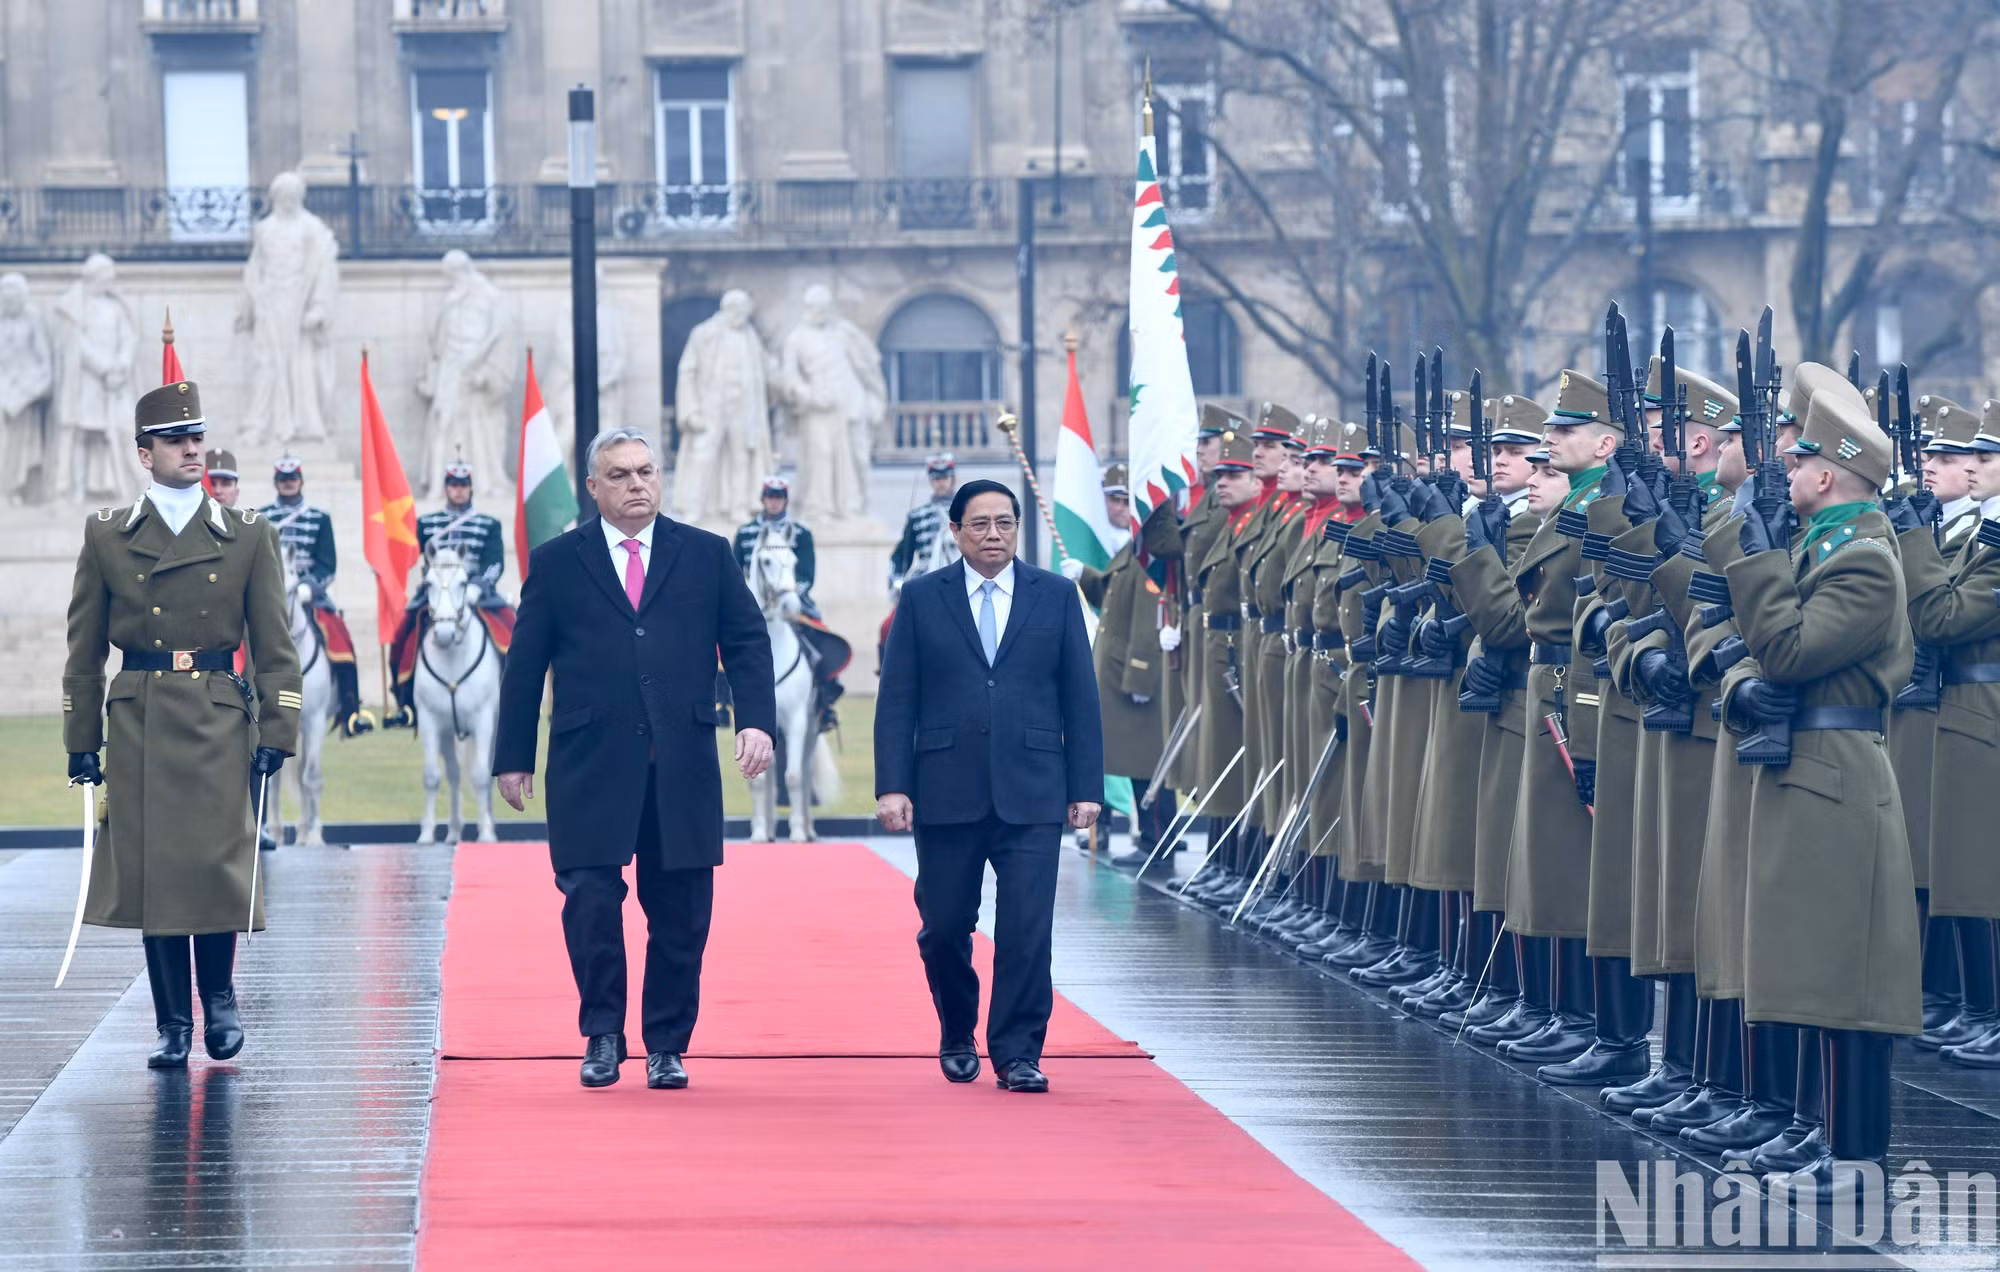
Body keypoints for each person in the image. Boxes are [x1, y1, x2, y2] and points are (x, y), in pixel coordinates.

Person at [493, 428, 775, 1091]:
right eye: (619, 475)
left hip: (683, 763)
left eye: (646, 471)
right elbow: (526, 665)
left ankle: (667, 1044)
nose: (636, 484)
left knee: (681, 913)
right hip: (589, 763)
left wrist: (756, 720)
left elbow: (747, 640)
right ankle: (602, 1034)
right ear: (593, 488)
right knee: (590, 903)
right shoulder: (558, 562)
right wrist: (513, 756)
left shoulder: (705, 555)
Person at [62, 380, 301, 1067]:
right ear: (146, 454)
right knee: (156, 873)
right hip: (141, 714)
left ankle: (219, 999)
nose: (191, 448)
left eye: (196, 436)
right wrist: (82, 742)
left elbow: (275, 644)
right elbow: (83, 649)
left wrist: (278, 731)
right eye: (175, 440)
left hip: (217, 712)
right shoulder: (108, 535)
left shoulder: (249, 534)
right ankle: (173, 1023)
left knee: (216, 863)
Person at [875, 478, 1104, 1093]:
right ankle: (957, 1030)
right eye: (980, 524)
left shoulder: (1055, 596)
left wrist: (1086, 785)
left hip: (1033, 790)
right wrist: (892, 785)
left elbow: (1081, 698)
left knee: (1028, 927)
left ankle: (1018, 1052)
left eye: (1005, 522)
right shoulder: (922, 598)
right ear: (955, 531)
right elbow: (897, 700)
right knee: (945, 926)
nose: (994, 534)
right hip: (946, 790)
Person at [386, 460, 516, 728]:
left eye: (463, 486)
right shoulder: (428, 523)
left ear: (470, 488)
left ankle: (512, 697)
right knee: (401, 636)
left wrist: (477, 586)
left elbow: (494, 563)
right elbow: (406, 554)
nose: (458, 491)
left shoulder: (487, 524)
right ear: (446, 488)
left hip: (476, 594)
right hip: (434, 595)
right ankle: (404, 701)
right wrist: (386, 564)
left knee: (513, 632)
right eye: (453, 486)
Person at [261, 457, 372, 737]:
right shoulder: (261, 518)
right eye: (283, 478)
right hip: (270, 595)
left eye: (293, 478)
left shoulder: (318, 518)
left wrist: (311, 585)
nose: (288, 483)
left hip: (311, 597)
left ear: (300, 481)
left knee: (342, 640)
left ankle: (350, 712)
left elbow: (327, 564)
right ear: (276, 482)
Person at [734, 475, 848, 730]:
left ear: (785, 501)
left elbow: (807, 573)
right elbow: (735, 571)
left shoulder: (802, 532)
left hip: (792, 601)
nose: (774, 503)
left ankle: (826, 699)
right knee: (720, 643)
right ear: (763, 500)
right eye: (770, 498)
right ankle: (721, 699)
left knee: (821, 637)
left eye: (779, 498)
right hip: (754, 605)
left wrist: (789, 596)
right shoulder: (746, 533)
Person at [889, 452, 960, 594]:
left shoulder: (966, 512)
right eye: (936, 478)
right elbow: (903, 553)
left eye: (944, 477)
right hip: (926, 574)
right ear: (931, 481)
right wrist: (897, 579)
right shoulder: (918, 516)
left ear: (952, 478)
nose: (941, 483)